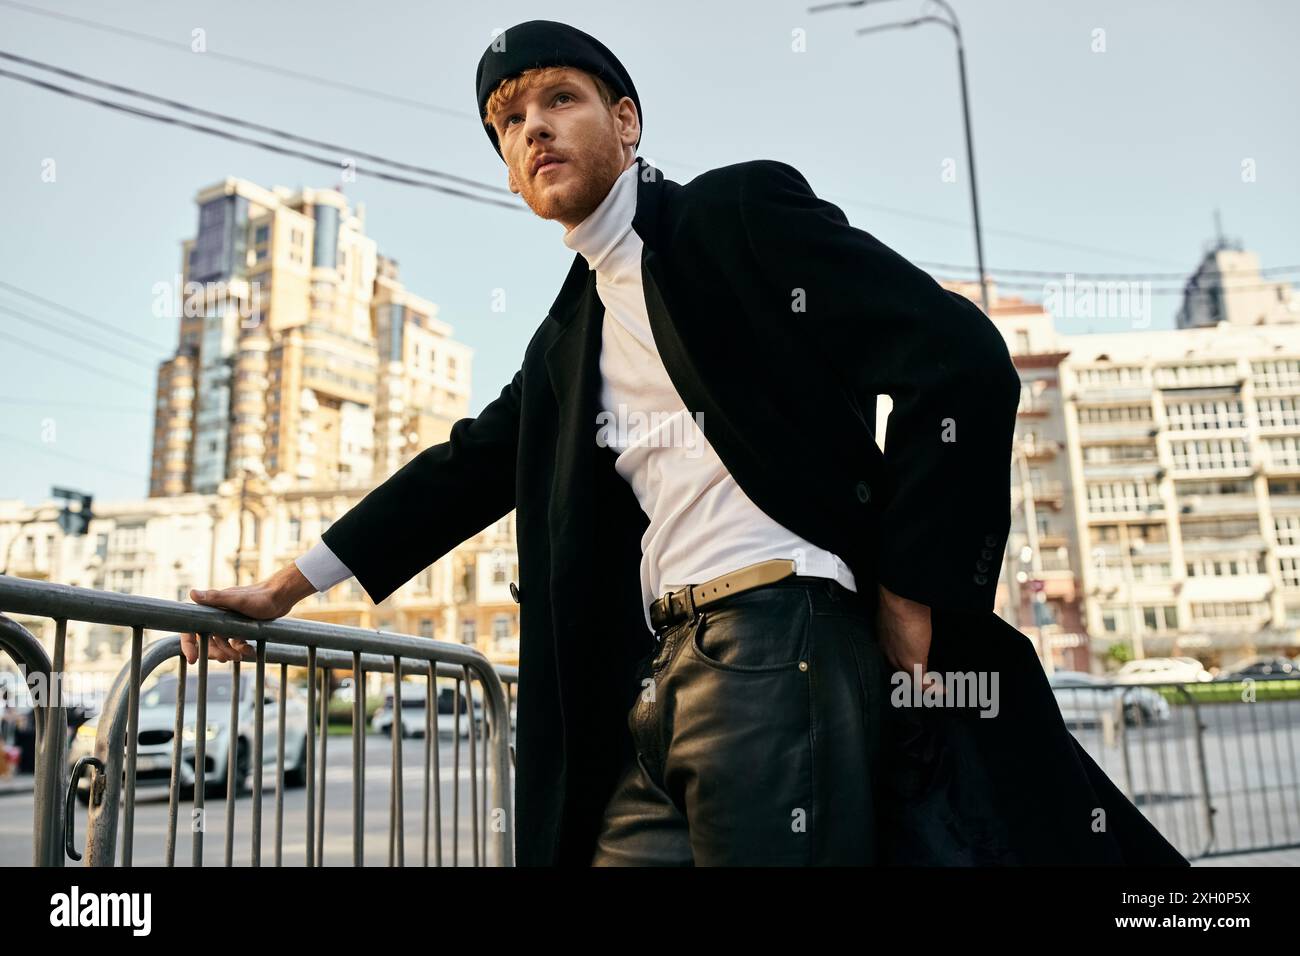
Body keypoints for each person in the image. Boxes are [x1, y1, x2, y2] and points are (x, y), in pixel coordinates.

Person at [183, 19, 1185, 867]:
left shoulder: (733, 219)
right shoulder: (565, 338)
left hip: (776, 644)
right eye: (506, 122)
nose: (530, 127)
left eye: (557, 100)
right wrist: (282, 589)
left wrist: (913, 593)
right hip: (652, 681)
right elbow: (465, 466)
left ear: (624, 121)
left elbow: (960, 356)